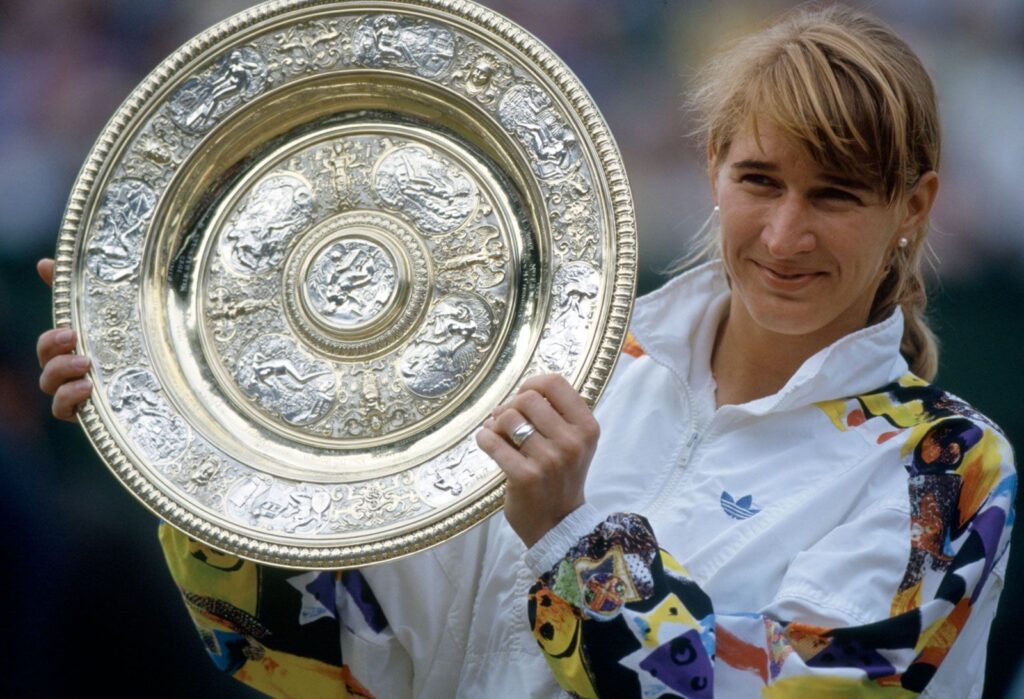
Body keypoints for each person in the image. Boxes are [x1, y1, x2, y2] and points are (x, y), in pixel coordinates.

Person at [36, 4, 1015, 698]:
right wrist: (187, 439)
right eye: (759, 180)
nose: (784, 235)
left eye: (836, 195)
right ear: (712, 167)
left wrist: (571, 539)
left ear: (912, 208)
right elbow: (333, 656)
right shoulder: (561, 362)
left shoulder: (944, 472)